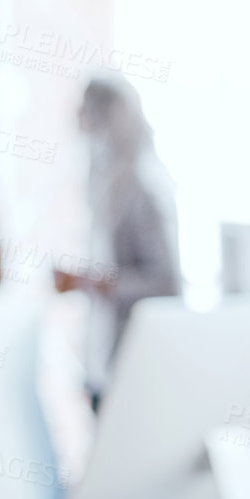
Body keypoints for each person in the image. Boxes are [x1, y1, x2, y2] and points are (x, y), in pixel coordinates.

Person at [55, 75, 180, 400]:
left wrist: (90, 283)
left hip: (138, 367)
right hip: (104, 366)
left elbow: (166, 283)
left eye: (88, 119)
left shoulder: (143, 186)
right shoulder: (105, 181)